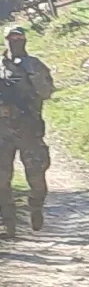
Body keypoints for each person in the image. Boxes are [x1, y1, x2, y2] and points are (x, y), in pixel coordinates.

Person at [0, 25, 54, 238]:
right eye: (11, 38)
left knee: (36, 176)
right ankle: (9, 222)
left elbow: (47, 92)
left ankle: (36, 207)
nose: (15, 41)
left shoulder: (35, 65)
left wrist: (33, 77)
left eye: (19, 37)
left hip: (29, 128)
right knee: (2, 179)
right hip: (3, 132)